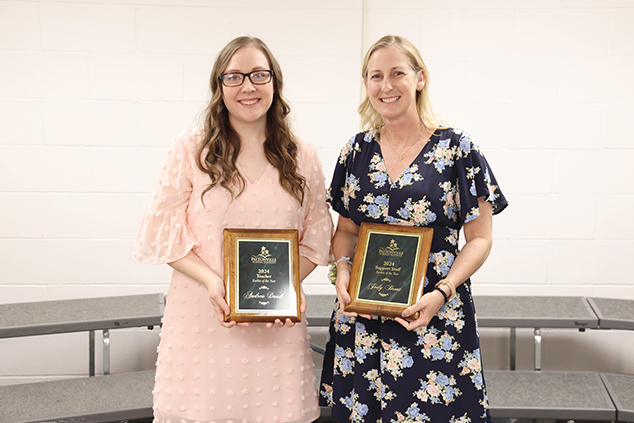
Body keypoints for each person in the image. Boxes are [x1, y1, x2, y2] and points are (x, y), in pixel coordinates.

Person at [134, 36, 333, 423]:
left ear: (274, 83)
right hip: (202, 319)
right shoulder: (191, 149)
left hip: (277, 326)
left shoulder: (301, 153)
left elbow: (317, 237)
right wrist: (212, 282)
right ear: (219, 86)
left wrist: (286, 286)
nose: (248, 87)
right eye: (235, 77)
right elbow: (162, 232)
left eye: (259, 75)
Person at [318, 35, 508, 423]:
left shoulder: (458, 150)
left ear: (419, 78)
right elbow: (346, 232)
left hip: (434, 313)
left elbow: (481, 239)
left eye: (397, 73)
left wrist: (443, 291)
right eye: (375, 76)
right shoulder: (355, 152)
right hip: (363, 319)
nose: (385, 86)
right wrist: (341, 269)